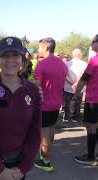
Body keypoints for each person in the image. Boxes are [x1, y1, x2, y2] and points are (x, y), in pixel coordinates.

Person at [0, 37, 41, 180]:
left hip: (17, 166)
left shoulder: (32, 90)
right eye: (5, 56)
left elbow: (35, 132)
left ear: (22, 60)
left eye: (15, 55)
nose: (11, 60)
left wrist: (23, 168)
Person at [73, 33, 98, 165]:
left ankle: (90, 157)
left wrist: (75, 95)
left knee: (90, 126)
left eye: (93, 41)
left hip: (95, 99)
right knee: (97, 124)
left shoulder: (96, 59)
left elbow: (84, 79)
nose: (91, 44)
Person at [34, 37, 67, 172]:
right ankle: (45, 155)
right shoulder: (62, 64)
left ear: (46, 48)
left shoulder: (42, 64)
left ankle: (46, 162)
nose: (38, 50)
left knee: (44, 133)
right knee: (50, 129)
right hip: (56, 103)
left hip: (44, 104)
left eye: (40, 47)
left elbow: (36, 86)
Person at [63, 49, 87, 122]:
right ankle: (75, 117)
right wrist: (77, 83)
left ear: (73, 54)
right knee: (78, 103)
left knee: (67, 102)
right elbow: (84, 76)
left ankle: (67, 117)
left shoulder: (67, 64)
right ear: (80, 55)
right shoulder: (84, 64)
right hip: (80, 87)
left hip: (68, 87)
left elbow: (65, 75)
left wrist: (72, 83)